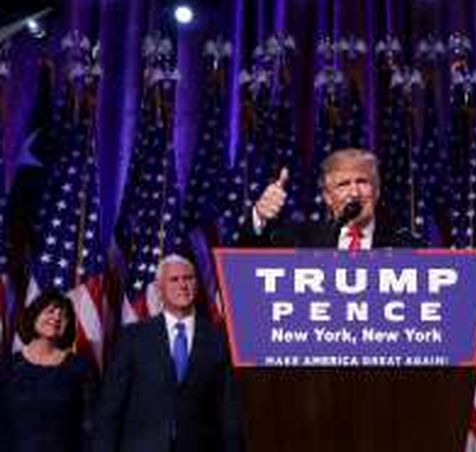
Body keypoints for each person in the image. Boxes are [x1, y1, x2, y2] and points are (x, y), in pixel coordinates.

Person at [94, 254, 244, 452]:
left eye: (188, 278)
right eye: (174, 279)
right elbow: (111, 408)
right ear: (159, 289)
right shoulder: (134, 338)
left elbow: (229, 411)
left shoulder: (218, 340)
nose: (183, 285)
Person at [250, 147, 421, 249]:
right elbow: (248, 262)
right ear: (327, 197)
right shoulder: (301, 241)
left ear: (376, 191)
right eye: (343, 184)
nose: (354, 193)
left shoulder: (406, 245)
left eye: (362, 182)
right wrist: (259, 217)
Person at [0, 289, 97, 452]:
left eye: (63, 315)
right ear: (34, 316)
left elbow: (89, 425)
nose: (57, 317)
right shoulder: (7, 367)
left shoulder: (80, 368)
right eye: (50, 311)